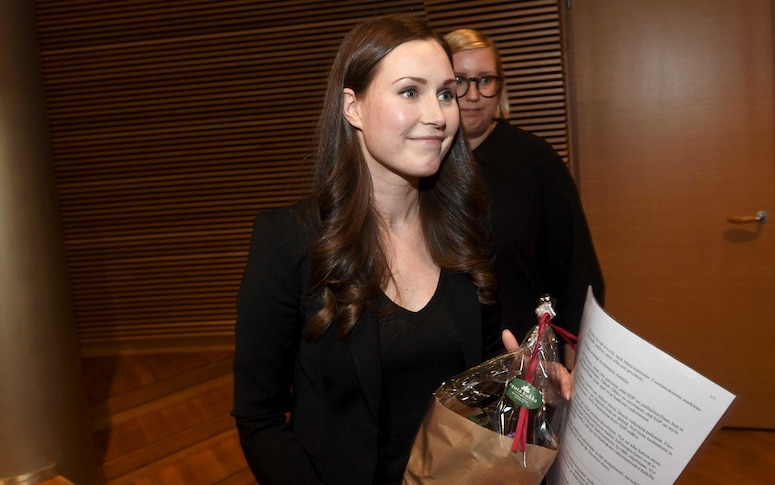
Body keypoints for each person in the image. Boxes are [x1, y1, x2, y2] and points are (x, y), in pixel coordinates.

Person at [231, 14, 570, 485]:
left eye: (445, 93)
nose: (438, 114)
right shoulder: (287, 241)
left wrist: (528, 386)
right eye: (410, 91)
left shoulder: (468, 232)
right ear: (353, 106)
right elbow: (259, 418)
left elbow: (476, 383)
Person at [444, 28, 605, 350]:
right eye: (459, 81)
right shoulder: (420, 163)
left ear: (500, 87)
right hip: (443, 355)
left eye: (485, 80)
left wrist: (577, 351)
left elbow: (578, 271)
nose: (473, 95)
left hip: (527, 358)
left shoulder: (535, 160)